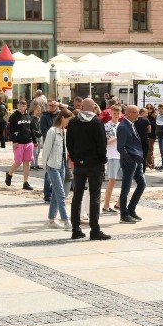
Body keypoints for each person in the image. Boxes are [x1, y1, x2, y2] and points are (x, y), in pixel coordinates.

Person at [66, 98, 110, 240]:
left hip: (79, 163)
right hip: (95, 164)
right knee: (95, 196)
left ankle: (75, 229)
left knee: (77, 196)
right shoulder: (96, 122)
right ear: (92, 108)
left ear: (82, 107)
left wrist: (74, 157)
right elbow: (101, 143)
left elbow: (69, 143)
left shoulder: (73, 122)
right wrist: (103, 160)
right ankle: (94, 230)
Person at [41, 108, 73, 230]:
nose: (68, 123)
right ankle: (66, 220)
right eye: (68, 120)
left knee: (56, 193)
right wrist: (45, 166)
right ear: (62, 118)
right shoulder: (52, 132)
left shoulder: (64, 132)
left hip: (62, 166)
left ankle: (51, 219)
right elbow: (46, 150)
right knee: (60, 194)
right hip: (52, 166)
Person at [117, 104, 146, 223]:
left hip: (136, 160)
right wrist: (129, 159)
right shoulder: (123, 126)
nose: (137, 114)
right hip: (129, 160)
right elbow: (120, 147)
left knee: (142, 184)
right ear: (128, 113)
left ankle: (131, 209)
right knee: (126, 188)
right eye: (135, 112)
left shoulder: (131, 124)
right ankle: (124, 214)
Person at [5, 100, 35, 190]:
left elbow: (31, 129)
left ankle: (25, 182)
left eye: (23, 105)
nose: (22, 107)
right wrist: (14, 141)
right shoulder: (13, 117)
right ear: (17, 106)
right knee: (18, 161)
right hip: (18, 142)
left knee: (27, 161)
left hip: (28, 142)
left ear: (26, 106)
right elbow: (10, 131)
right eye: (20, 105)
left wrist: (34, 141)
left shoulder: (28, 116)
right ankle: (9, 174)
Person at [102, 105, 123, 214]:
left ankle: (119, 203)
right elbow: (105, 142)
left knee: (126, 181)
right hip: (112, 155)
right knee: (112, 181)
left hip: (122, 156)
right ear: (111, 114)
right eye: (114, 113)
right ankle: (106, 205)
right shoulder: (107, 126)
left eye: (118, 114)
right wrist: (116, 138)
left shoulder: (121, 125)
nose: (116, 116)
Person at [40, 99, 60, 202]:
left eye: (53, 105)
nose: (51, 107)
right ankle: (47, 194)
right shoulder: (44, 116)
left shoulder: (60, 115)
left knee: (58, 170)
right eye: (50, 105)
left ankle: (54, 192)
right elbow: (44, 131)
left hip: (59, 145)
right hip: (49, 144)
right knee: (48, 170)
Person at [136, 107, 152, 171]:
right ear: (142, 113)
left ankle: (136, 170)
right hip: (144, 139)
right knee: (144, 155)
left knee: (136, 155)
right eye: (146, 113)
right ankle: (143, 170)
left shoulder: (135, 120)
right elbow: (149, 130)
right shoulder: (146, 120)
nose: (147, 115)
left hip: (136, 139)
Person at [30, 103, 44, 170]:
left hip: (39, 136)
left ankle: (36, 163)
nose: (39, 112)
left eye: (40, 110)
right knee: (34, 151)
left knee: (38, 151)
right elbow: (31, 129)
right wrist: (36, 132)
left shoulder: (39, 119)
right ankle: (32, 164)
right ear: (34, 110)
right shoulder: (31, 119)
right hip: (34, 136)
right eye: (38, 110)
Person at [144, 103, 157, 170]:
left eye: (150, 108)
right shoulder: (145, 116)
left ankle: (150, 164)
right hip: (145, 135)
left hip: (151, 135)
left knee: (150, 150)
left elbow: (154, 125)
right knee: (146, 150)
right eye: (147, 108)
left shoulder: (154, 116)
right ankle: (148, 164)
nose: (149, 109)